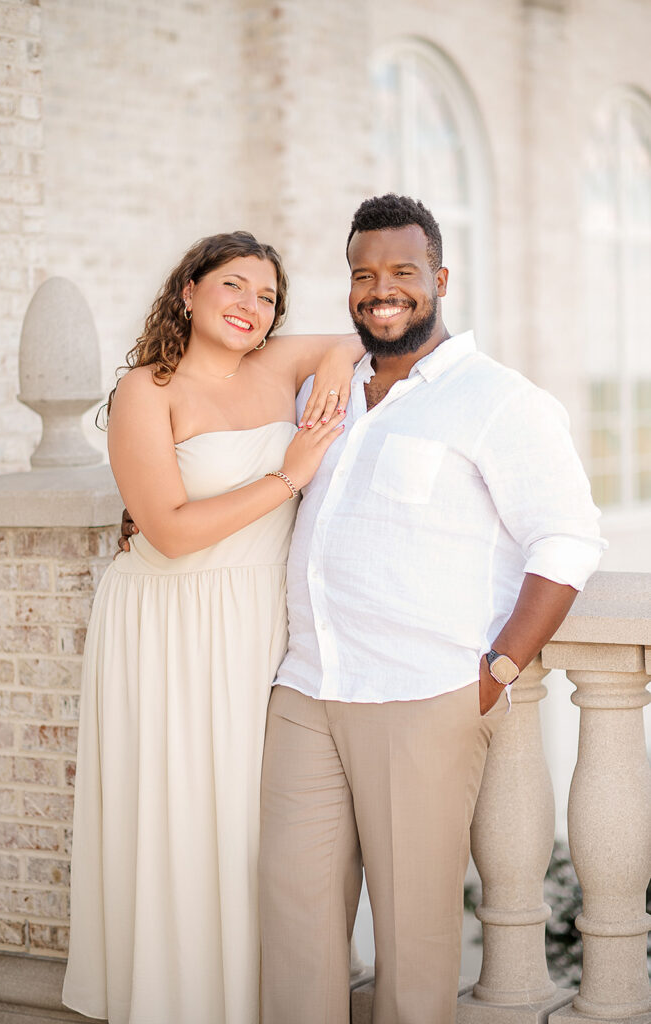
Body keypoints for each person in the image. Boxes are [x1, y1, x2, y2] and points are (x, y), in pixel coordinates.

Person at [258, 195, 606, 1024]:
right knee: (292, 926)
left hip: (422, 695)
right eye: (363, 275)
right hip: (306, 688)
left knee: (413, 947)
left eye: (403, 272)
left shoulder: (500, 400)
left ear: (440, 280)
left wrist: (500, 667)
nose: (382, 290)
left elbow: (567, 539)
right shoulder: (328, 392)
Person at [62, 230, 363, 1024]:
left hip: (260, 621)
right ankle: (178, 999)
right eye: (234, 285)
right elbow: (169, 530)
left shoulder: (275, 363)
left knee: (256, 820)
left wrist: (336, 364)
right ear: (188, 290)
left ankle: (260, 997)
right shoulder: (147, 390)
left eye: (267, 297)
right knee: (183, 813)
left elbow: (352, 337)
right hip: (168, 624)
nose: (251, 306)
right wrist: (290, 474)